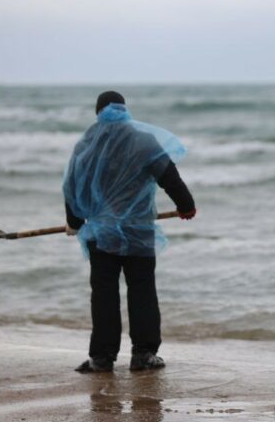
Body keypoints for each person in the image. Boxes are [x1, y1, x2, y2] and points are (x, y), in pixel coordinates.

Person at [64, 91, 196, 373]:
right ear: (124, 110)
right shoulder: (143, 140)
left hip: (101, 234)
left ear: (98, 113)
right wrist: (186, 205)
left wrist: (73, 221)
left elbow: (72, 187)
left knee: (104, 294)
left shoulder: (87, 144)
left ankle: (101, 358)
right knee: (142, 291)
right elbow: (168, 176)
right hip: (138, 230)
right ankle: (143, 355)